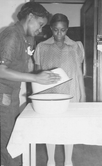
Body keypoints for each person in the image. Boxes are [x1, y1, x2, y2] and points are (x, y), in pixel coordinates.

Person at [0, 3, 61, 166]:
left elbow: (25, 67)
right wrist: (34, 78)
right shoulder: (11, 35)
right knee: (10, 147)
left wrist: (41, 76)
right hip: (2, 97)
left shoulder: (27, 38)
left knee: (13, 142)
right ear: (31, 17)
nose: (41, 30)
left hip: (11, 95)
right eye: (40, 24)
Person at [33, 13, 86, 166]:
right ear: (51, 28)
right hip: (49, 94)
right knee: (51, 127)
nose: (59, 34)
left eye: (62, 30)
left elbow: (78, 72)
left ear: (67, 29)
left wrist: (83, 96)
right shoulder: (42, 47)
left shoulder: (76, 46)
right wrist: (36, 96)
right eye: (55, 30)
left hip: (71, 92)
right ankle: (51, 160)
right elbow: (37, 74)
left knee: (69, 127)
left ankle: (68, 161)